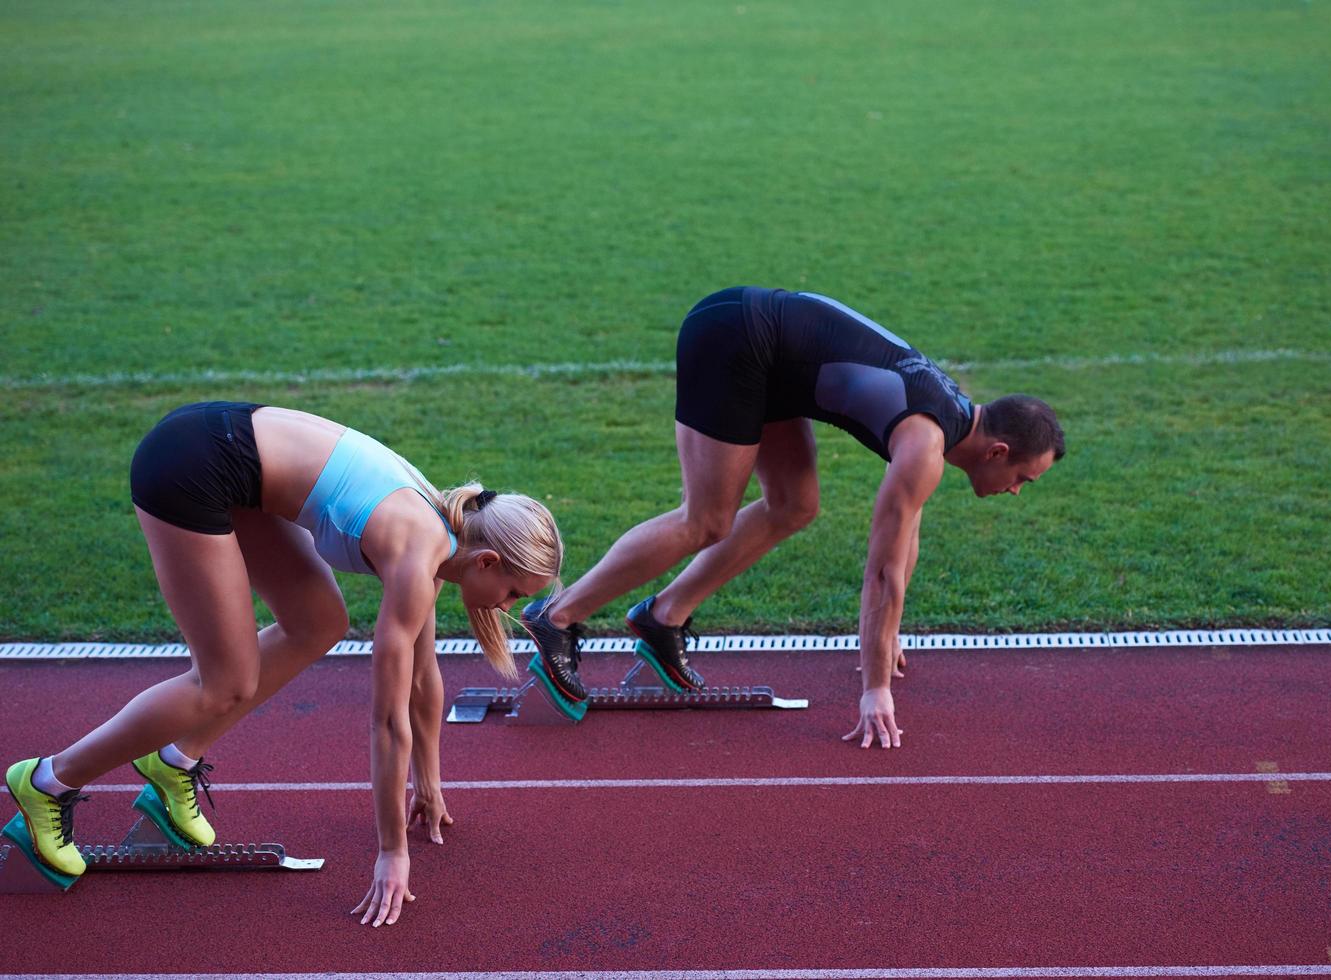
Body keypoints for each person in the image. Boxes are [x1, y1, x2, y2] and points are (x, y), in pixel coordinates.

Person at [4, 402, 562, 927]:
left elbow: (422, 677)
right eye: (512, 591)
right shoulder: (421, 554)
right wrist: (391, 850)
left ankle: (173, 760)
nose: (506, 607)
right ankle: (48, 781)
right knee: (224, 683)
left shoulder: (446, 532)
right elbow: (388, 720)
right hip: (191, 465)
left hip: (232, 460)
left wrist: (429, 783)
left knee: (318, 624)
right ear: (487, 560)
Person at [520, 287, 1064, 748]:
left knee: (794, 505)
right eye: (1022, 478)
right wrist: (876, 687)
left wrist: (887, 631)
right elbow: (882, 571)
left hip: (773, 356)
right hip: (739, 336)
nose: (1016, 491)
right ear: (996, 451)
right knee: (706, 518)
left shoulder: (947, 420)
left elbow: (906, 537)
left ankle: (663, 617)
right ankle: (558, 616)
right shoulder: (925, 444)